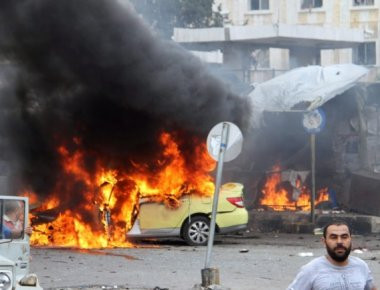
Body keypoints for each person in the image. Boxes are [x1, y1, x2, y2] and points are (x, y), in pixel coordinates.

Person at [287, 220, 377, 290]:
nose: (339, 242)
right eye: (333, 237)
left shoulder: (361, 266)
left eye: (344, 237)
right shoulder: (311, 269)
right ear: (324, 241)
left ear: (350, 239)